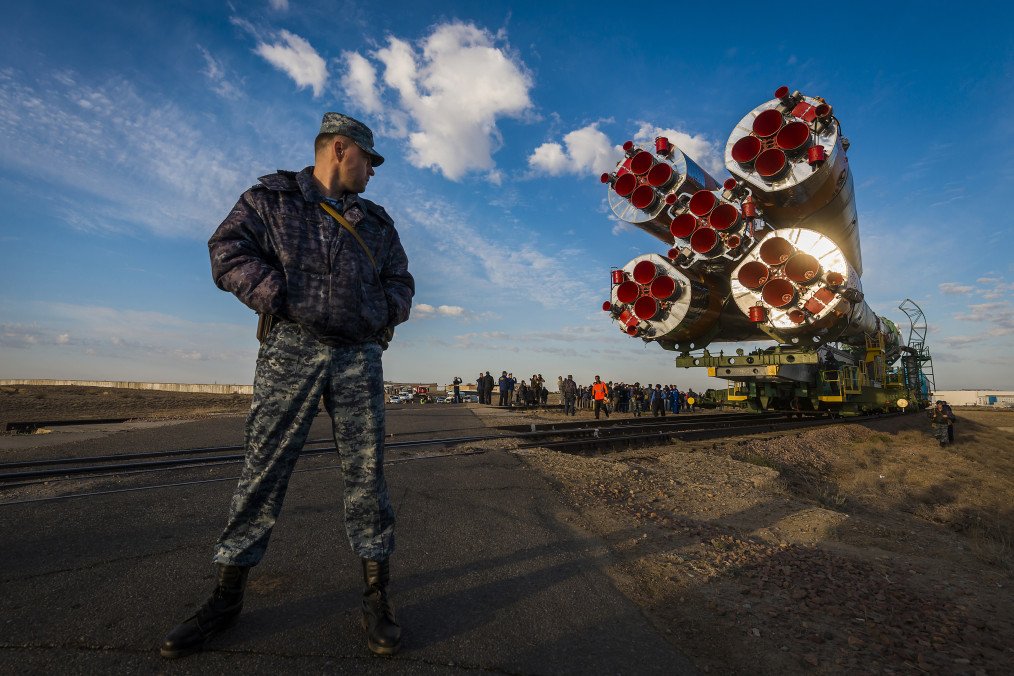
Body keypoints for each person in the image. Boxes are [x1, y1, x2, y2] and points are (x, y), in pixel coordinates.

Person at [161, 113, 413, 659]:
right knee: (263, 471)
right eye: (369, 160)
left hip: (357, 355)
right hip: (290, 350)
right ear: (341, 150)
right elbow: (226, 251)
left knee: (368, 478)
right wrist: (278, 295)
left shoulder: (376, 221)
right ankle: (225, 601)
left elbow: (401, 281)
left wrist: (380, 313)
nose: (373, 172)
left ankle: (377, 597)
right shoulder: (270, 201)